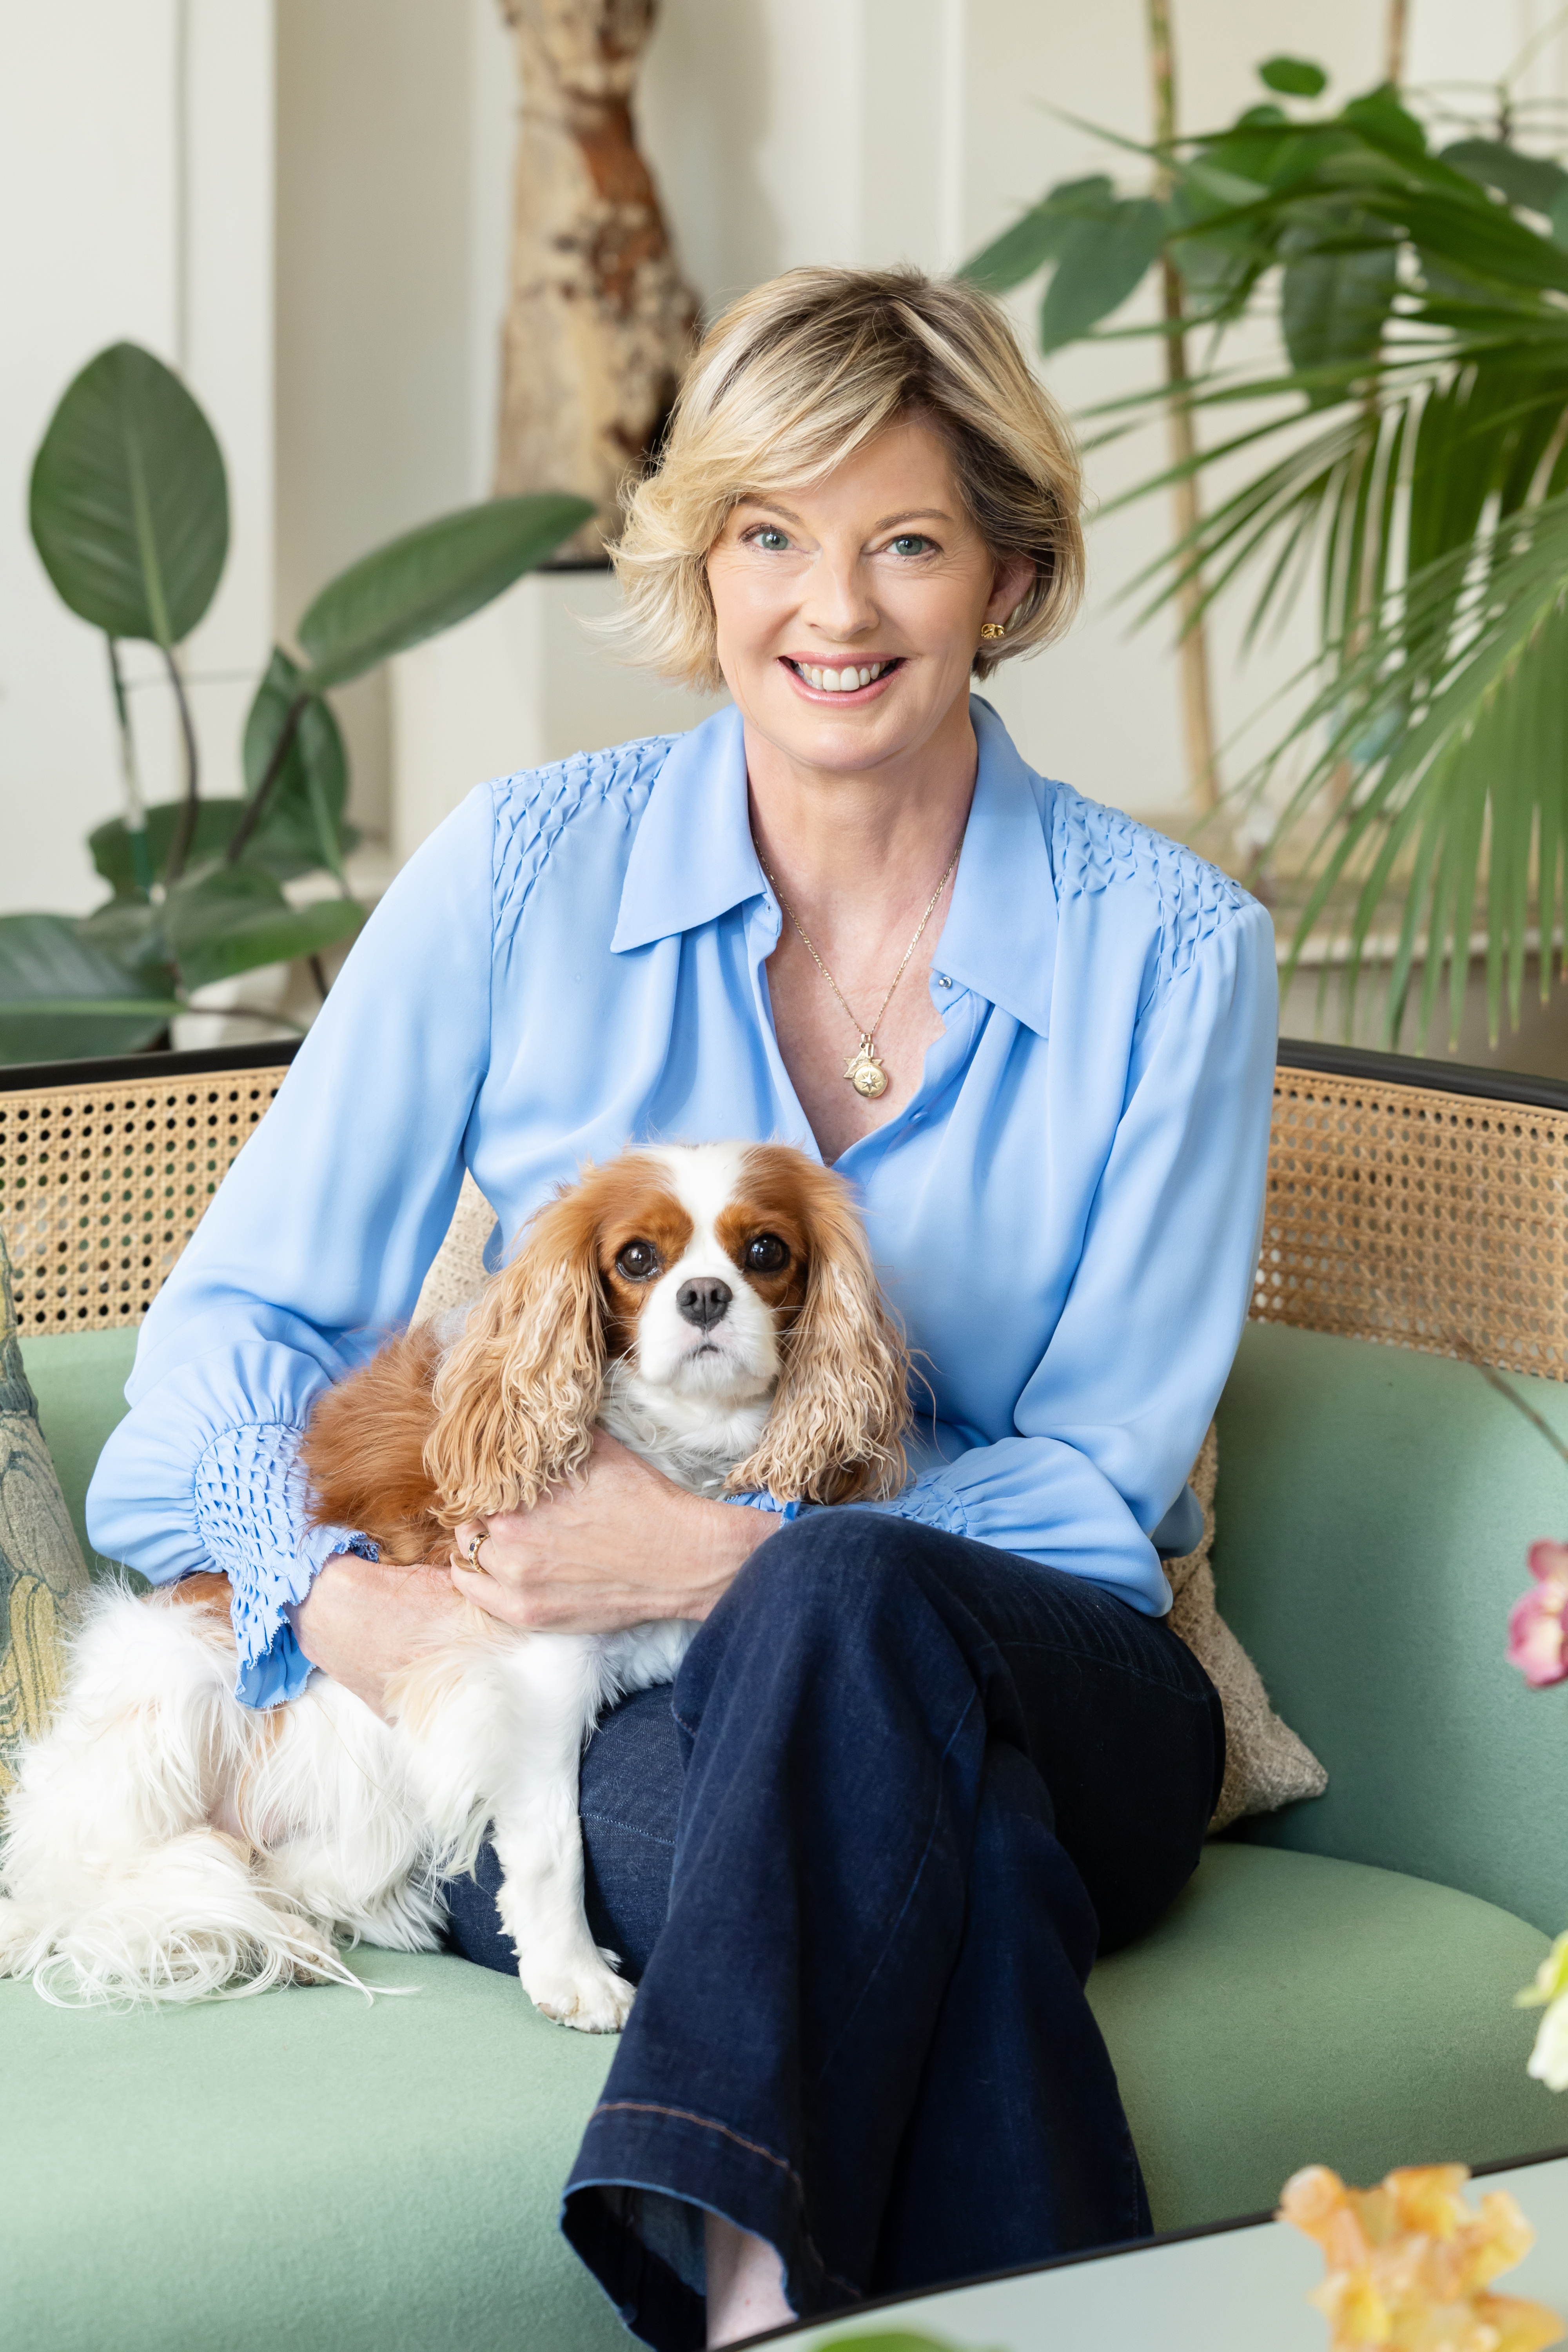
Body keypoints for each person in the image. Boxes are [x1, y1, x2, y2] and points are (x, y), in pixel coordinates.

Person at [88, 267, 1277, 2350]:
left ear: (1006, 572)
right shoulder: (519, 875)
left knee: (836, 1604)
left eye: (906, 540)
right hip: (623, 1712)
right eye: (771, 537)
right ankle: (778, 2298)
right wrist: (338, 1603)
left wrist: (734, 1555)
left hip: (1059, 1682)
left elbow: (1097, 1495)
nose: (836, 608)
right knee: (969, 1890)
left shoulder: (1177, 954)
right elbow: (214, 1362)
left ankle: (729, 2276)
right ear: (703, 563)